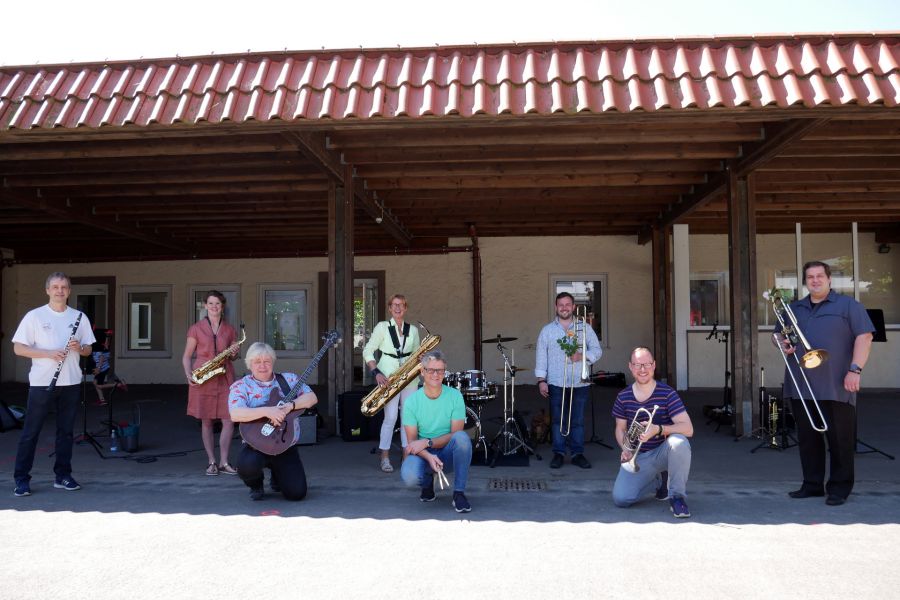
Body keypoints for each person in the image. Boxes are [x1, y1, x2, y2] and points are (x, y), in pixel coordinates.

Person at [777, 261, 874, 506]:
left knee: (840, 440)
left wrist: (855, 370)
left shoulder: (849, 306)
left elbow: (865, 337)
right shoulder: (794, 307)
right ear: (805, 281)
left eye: (820, 276)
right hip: (801, 382)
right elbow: (779, 334)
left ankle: (839, 489)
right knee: (808, 438)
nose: (815, 280)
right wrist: (780, 342)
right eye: (810, 277)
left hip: (838, 383)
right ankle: (812, 485)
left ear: (829, 279)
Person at [12, 272, 95, 497]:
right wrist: (48, 353)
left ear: (69, 291)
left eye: (64, 287)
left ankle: (63, 476)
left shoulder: (79, 317)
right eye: (55, 287)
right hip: (41, 383)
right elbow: (18, 348)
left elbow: (89, 349)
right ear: (47, 290)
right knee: (31, 432)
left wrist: (81, 348)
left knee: (66, 432)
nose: (60, 291)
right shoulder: (34, 316)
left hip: (71, 381)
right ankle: (21, 479)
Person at [611, 347, 694, 518]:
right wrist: (625, 448)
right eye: (638, 365)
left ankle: (677, 497)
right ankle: (656, 481)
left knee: (679, 442)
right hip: (639, 455)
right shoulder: (623, 396)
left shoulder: (667, 393)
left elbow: (688, 428)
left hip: (663, 452)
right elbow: (620, 429)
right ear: (630, 367)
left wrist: (659, 429)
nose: (643, 369)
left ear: (654, 365)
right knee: (621, 499)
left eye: (647, 364)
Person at [229, 342, 317, 501]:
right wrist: (266, 411)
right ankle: (256, 484)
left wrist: (291, 405)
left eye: (267, 361)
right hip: (255, 445)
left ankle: (278, 475)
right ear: (249, 364)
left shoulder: (289, 379)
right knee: (246, 466)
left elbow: (312, 398)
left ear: (273, 362)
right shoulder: (241, 386)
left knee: (297, 494)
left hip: (284, 446)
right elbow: (235, 414)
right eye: (257, 362)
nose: (262, 366)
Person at [535, 292, 602, 469]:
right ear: (556, 307)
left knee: (578, 420)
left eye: (568, 304)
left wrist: (582, 355)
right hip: (556, 382)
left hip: (579, 382)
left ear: (573, 307)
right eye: (560, 305)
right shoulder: (547, 330)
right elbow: (541, 356)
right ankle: (558, 453)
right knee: (558, 420)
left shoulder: (585, 328)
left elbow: (597, 350)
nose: (564, 308)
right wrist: (541, 380)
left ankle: (577, 454)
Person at [400, 350, 473, 512]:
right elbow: (412, 443)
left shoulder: (455, 396)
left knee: (462, 438)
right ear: (422, 372)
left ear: (444, 372)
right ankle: (426, 483)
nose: (435, 374)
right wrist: (428, 454)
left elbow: (456, 434)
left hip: (446, 454)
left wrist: (428, 442)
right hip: (423, 454)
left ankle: (459, 493)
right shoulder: (412, 401)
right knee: (409, 477)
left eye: (440, 370)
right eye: (431, 370)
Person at [182, 291, 240, 476]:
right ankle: (211, 462)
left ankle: (224, 461)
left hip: (224, 376)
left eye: (218, 304)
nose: (214, 307)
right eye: (211, 303)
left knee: (229, 420)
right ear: (205, 306)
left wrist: (234, 351)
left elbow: (235, 357)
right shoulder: (195, 328)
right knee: (206, 421)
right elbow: (186, 356)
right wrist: (188, 374)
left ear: (222, 307)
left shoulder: (230, 329)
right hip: (203, 376)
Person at [363, 294, 421, 473]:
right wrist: (376, 372)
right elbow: (368, 350)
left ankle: (407, 457)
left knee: (408, 418)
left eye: (401, 305)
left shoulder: (413, 330)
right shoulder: (382, 327)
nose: (398, 308)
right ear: (389, 308)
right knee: (390, 418)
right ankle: (385, 457)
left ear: (406, 308)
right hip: (388, 377)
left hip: (409, 378)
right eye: (394, 305)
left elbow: (417, 355)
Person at [90, 328, 126, 405]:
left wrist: (98, 368)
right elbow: (106, 352)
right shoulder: (104, 348)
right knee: (95, 383)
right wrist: (107, 335)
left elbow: (102, 358)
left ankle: (118, 384)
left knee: (99, 385)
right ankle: (102, 400)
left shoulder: (98, 349)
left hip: (102, 369)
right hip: (104, 368)